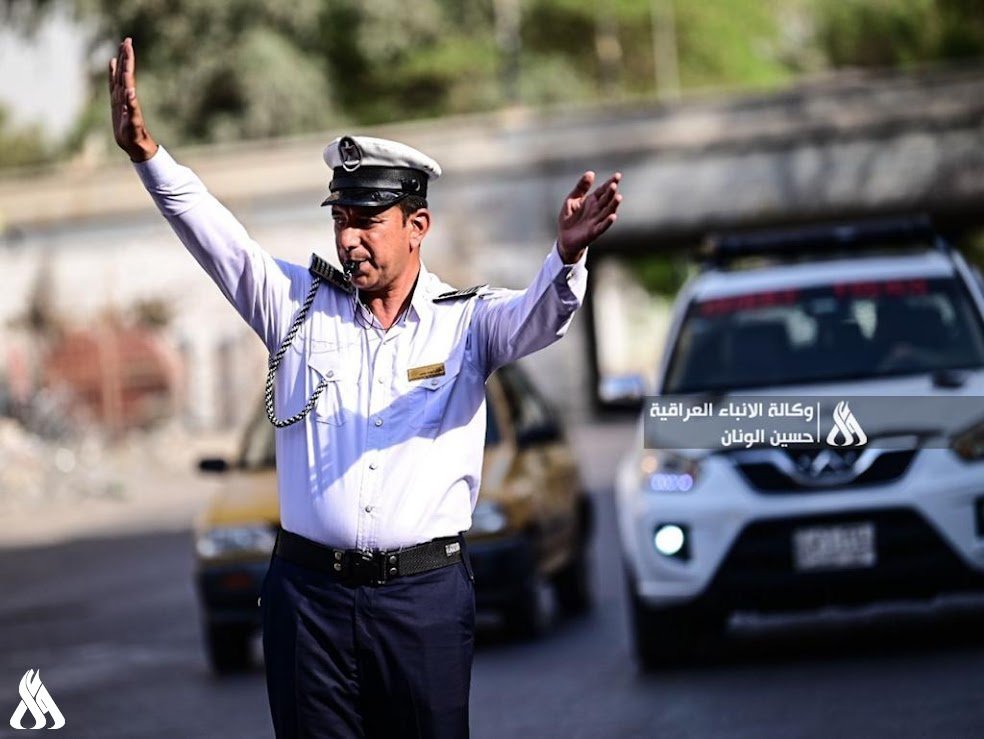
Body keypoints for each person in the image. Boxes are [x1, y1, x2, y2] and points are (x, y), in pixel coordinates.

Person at [109, 36, 621, 739]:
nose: (350, 239)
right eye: (341, 219)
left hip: (423, 602)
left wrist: (566, 256)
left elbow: (540, 318)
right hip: (308, 600)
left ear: (417, 227)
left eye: (368, 221)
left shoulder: (465, 323)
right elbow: (215, 235)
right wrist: (146, 152)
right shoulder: (294, 304)